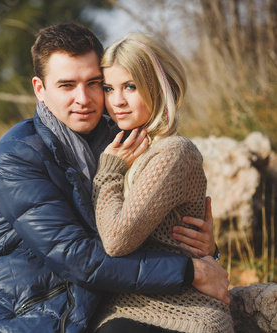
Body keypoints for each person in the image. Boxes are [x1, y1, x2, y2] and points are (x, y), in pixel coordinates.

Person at [0, 22, 229, 333]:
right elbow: (77, 258)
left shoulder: (123, 137)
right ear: (40, 89)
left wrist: (202, 248)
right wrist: (190, 270)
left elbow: (144, 225)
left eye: (94, 83)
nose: (84, 99)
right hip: (31, 314)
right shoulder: (16, 158)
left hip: (106, 307)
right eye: (67, 85)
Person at [90, 32, 233, 332]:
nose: (117, 101)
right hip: (123, 307)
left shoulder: (172, 153)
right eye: (108, 88)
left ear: (158, 85)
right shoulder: (119, 143)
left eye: (130, 86)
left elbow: (116, 241)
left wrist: (109, 173)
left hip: (186, 311)